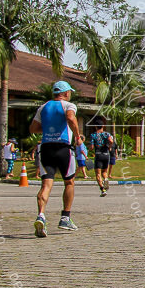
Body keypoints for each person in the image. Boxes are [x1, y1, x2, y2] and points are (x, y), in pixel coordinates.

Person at [30, 81, 83, 237]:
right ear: (66, 93)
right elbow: (70, 118)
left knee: (46, 184)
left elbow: (32, 128)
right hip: (63, 149)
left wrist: (48, 129)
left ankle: (41, 216)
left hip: (46, 148)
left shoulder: (43, 107)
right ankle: (65, 217)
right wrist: (78, 136)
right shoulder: (69, 105)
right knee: (69, 182)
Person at [88, 119, 115, 196]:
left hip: (98, 155)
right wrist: (109, 147)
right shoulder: (107, 134)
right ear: (103, 126)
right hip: (106, 154)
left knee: (98, 174)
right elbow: (111, 141)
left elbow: (92, 147)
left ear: (96, 126)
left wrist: (90, 148)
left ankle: (103, 190)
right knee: (104, 172)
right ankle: (106, 179)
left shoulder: (93, 135)